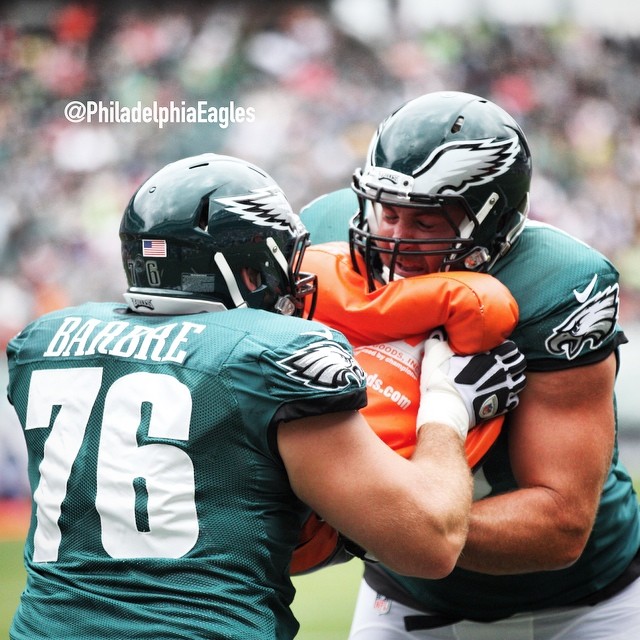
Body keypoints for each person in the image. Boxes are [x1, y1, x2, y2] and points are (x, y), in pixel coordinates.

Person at [5, 152, 528, 640]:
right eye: (279, 262)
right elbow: (430, 543)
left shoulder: (46, 339)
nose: (293, 278)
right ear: (249, 270)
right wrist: (448, 405)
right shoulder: (273, 353)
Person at [300, 91, 640, 639]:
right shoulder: (326, 240)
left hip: (583, 605)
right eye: (388, 212)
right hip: (410, 598)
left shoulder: (555, 286)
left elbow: (560, 524)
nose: (394, 241)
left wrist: (366, 521)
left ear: (492, 221)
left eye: (427, 223)